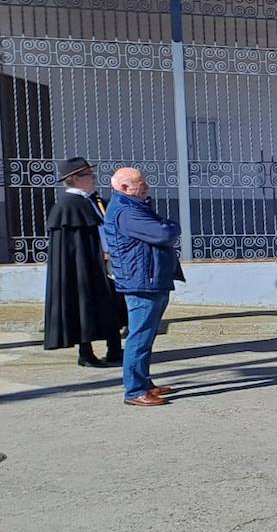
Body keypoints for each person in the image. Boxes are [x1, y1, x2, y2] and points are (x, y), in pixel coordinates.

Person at [101, 167, 184, 407]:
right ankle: (135, 390)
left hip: (150, 278)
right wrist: (170, 228)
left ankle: (144, 383)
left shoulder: (136, 207)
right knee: (139, 337)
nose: (146, 185)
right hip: (142, 281)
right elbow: (163, 233)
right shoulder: (127, 212)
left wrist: (168, 228)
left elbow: (164, 229)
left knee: (146, 336)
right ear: (124, 187)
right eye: (140, 183)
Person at [43, 157, 124, 368]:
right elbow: (74, 246)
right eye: (89, 175)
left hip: (104, 264)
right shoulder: (68, 206)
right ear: (75, 179)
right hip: (83, 267)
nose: (94, 178)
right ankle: (86, 353)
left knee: (113, 304)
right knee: (84, 306)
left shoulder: (93, 200)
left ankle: (115, 349)